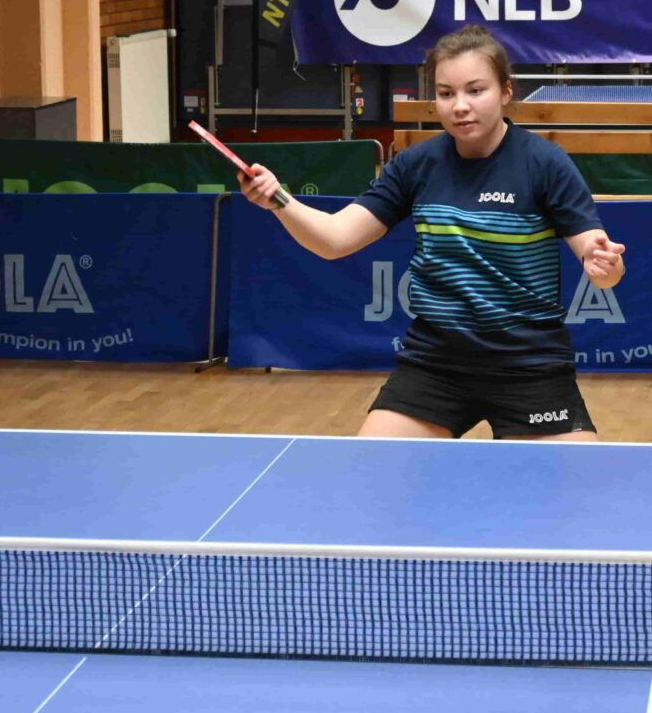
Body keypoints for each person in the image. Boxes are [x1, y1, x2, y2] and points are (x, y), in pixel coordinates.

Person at [238, 25, 625, 441]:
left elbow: (600, 260)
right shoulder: (416, 165)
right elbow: (335, 239)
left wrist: (605, 267)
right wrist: (278, 200)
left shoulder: (545, 164)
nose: (460, 106)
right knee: (368, 466)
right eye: (446, 93)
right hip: (436, 364)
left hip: (529, 365)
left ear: (506, 92)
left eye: (475, 90)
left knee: (570, 481)